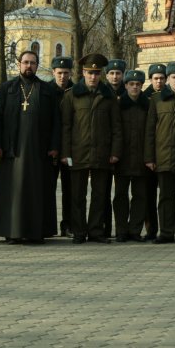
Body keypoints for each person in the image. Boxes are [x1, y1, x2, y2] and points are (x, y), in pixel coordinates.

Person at [0, 51, 60, 243]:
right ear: (19, 64)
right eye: (26, 62)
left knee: (37, 192)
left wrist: (54, 145)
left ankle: (36, 232)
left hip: (38, 151)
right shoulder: (7, 88)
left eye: (33, 63)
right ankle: (12, 232)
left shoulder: (46, 90)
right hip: (12, 149)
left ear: (37, 65)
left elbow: (56, 120)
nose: (29, 66)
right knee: (13, 192)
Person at [60, 54, 122, 244]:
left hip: (102, 152)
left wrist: (115, 152)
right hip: (78, 152)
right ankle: (79, 231)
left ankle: (96, 231)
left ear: (100, 74)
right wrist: (65, 153)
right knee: (77, 195)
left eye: (96, 73)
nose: (93, 77)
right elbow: (65, 126)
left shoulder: (108, 96)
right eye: (89, 73)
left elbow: (116, 127)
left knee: (99, 195)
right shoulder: (72, 95)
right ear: (83, 73)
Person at [145, 62, 175, 245]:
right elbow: (150, 130)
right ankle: (166, 232)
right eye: (173, 77)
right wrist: (149, 157)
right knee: (165, 197)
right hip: (163, 155)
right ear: (168, 79)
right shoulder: (157, 99)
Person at [113, 70, 150, 242]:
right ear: (126, 85)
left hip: (142, 158)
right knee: (120, 196)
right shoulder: (118, 104)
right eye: (131, 84)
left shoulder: (147, 105)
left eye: (138, 84)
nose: (135, 87)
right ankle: (121, 230)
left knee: (140, 196)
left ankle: (135, 230)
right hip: (122, 158)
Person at [100, 58, 128, 238]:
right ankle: (105, 227)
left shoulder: (130, 91)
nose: (115, 76)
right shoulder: (101, 92)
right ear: (107, 75)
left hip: (124, 151)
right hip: (104, 149)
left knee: (121, 193)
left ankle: (121, 229)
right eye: (111, 73)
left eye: (118, 73)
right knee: (103, 192)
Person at [49, 56, 74, 237]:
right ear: (53, 72)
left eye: (66, 73)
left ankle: (68, 225)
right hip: (50, 148)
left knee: (70, 189)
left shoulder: (76, 91)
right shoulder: (45, 91)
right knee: (48, 188)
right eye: (59, 73)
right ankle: (47, 226)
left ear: (71, 73)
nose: (63, 76)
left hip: (70, 150)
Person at [142, 63, 166, 241]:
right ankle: (151, 229)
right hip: (149, 153)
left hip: (165, 153)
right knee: (148, 195)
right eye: (155, 78)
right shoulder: (144, 98)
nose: (159, 81)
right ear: (150, 79)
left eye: (162, 78)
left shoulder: (168, 96)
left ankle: (167, 228)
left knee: (166, 194)